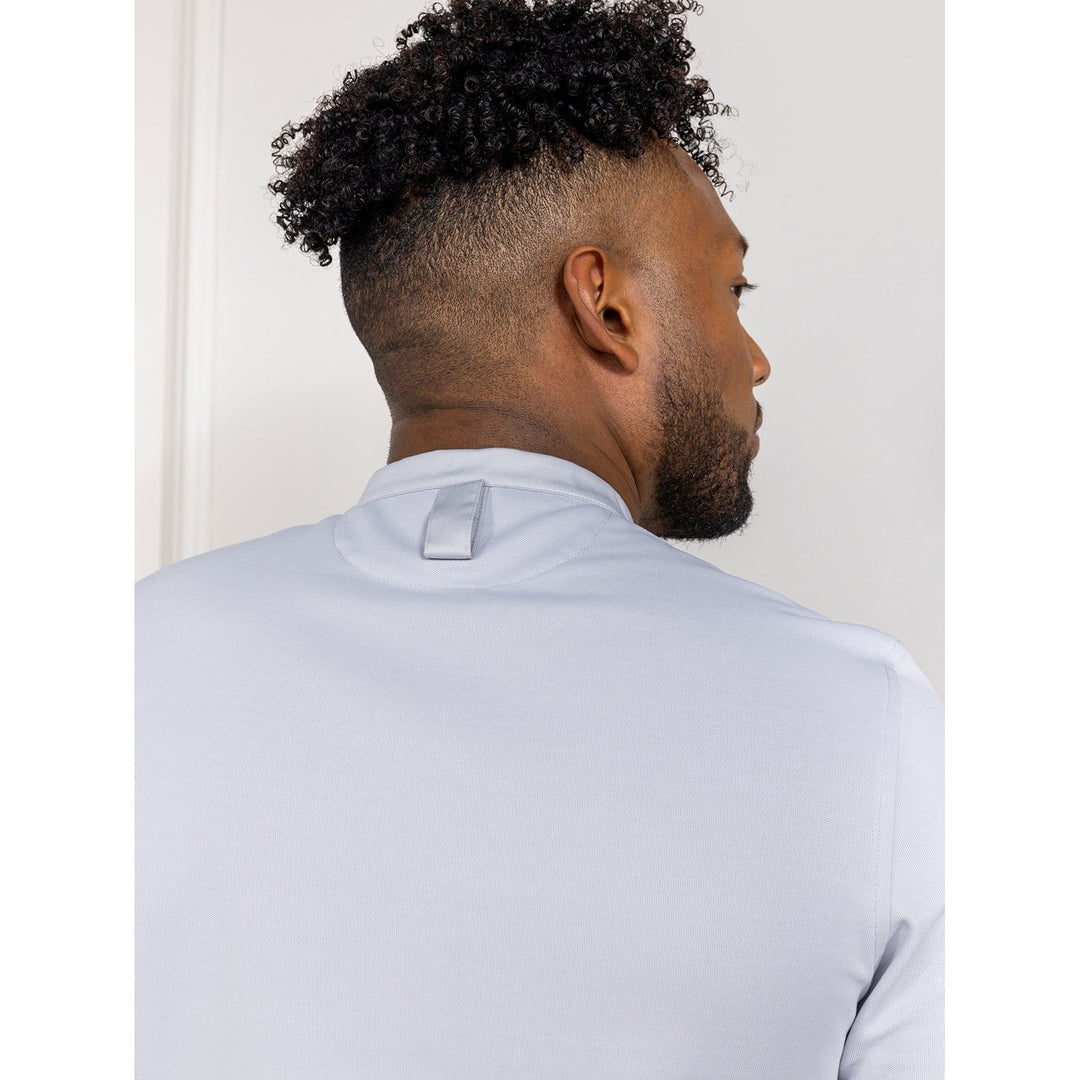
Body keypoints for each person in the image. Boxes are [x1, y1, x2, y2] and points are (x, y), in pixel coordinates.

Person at [135, 1, 944, 1077]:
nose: (755, 358)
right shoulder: (864, 720)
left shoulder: (123, 665)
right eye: (732, 289)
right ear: (605, 306)